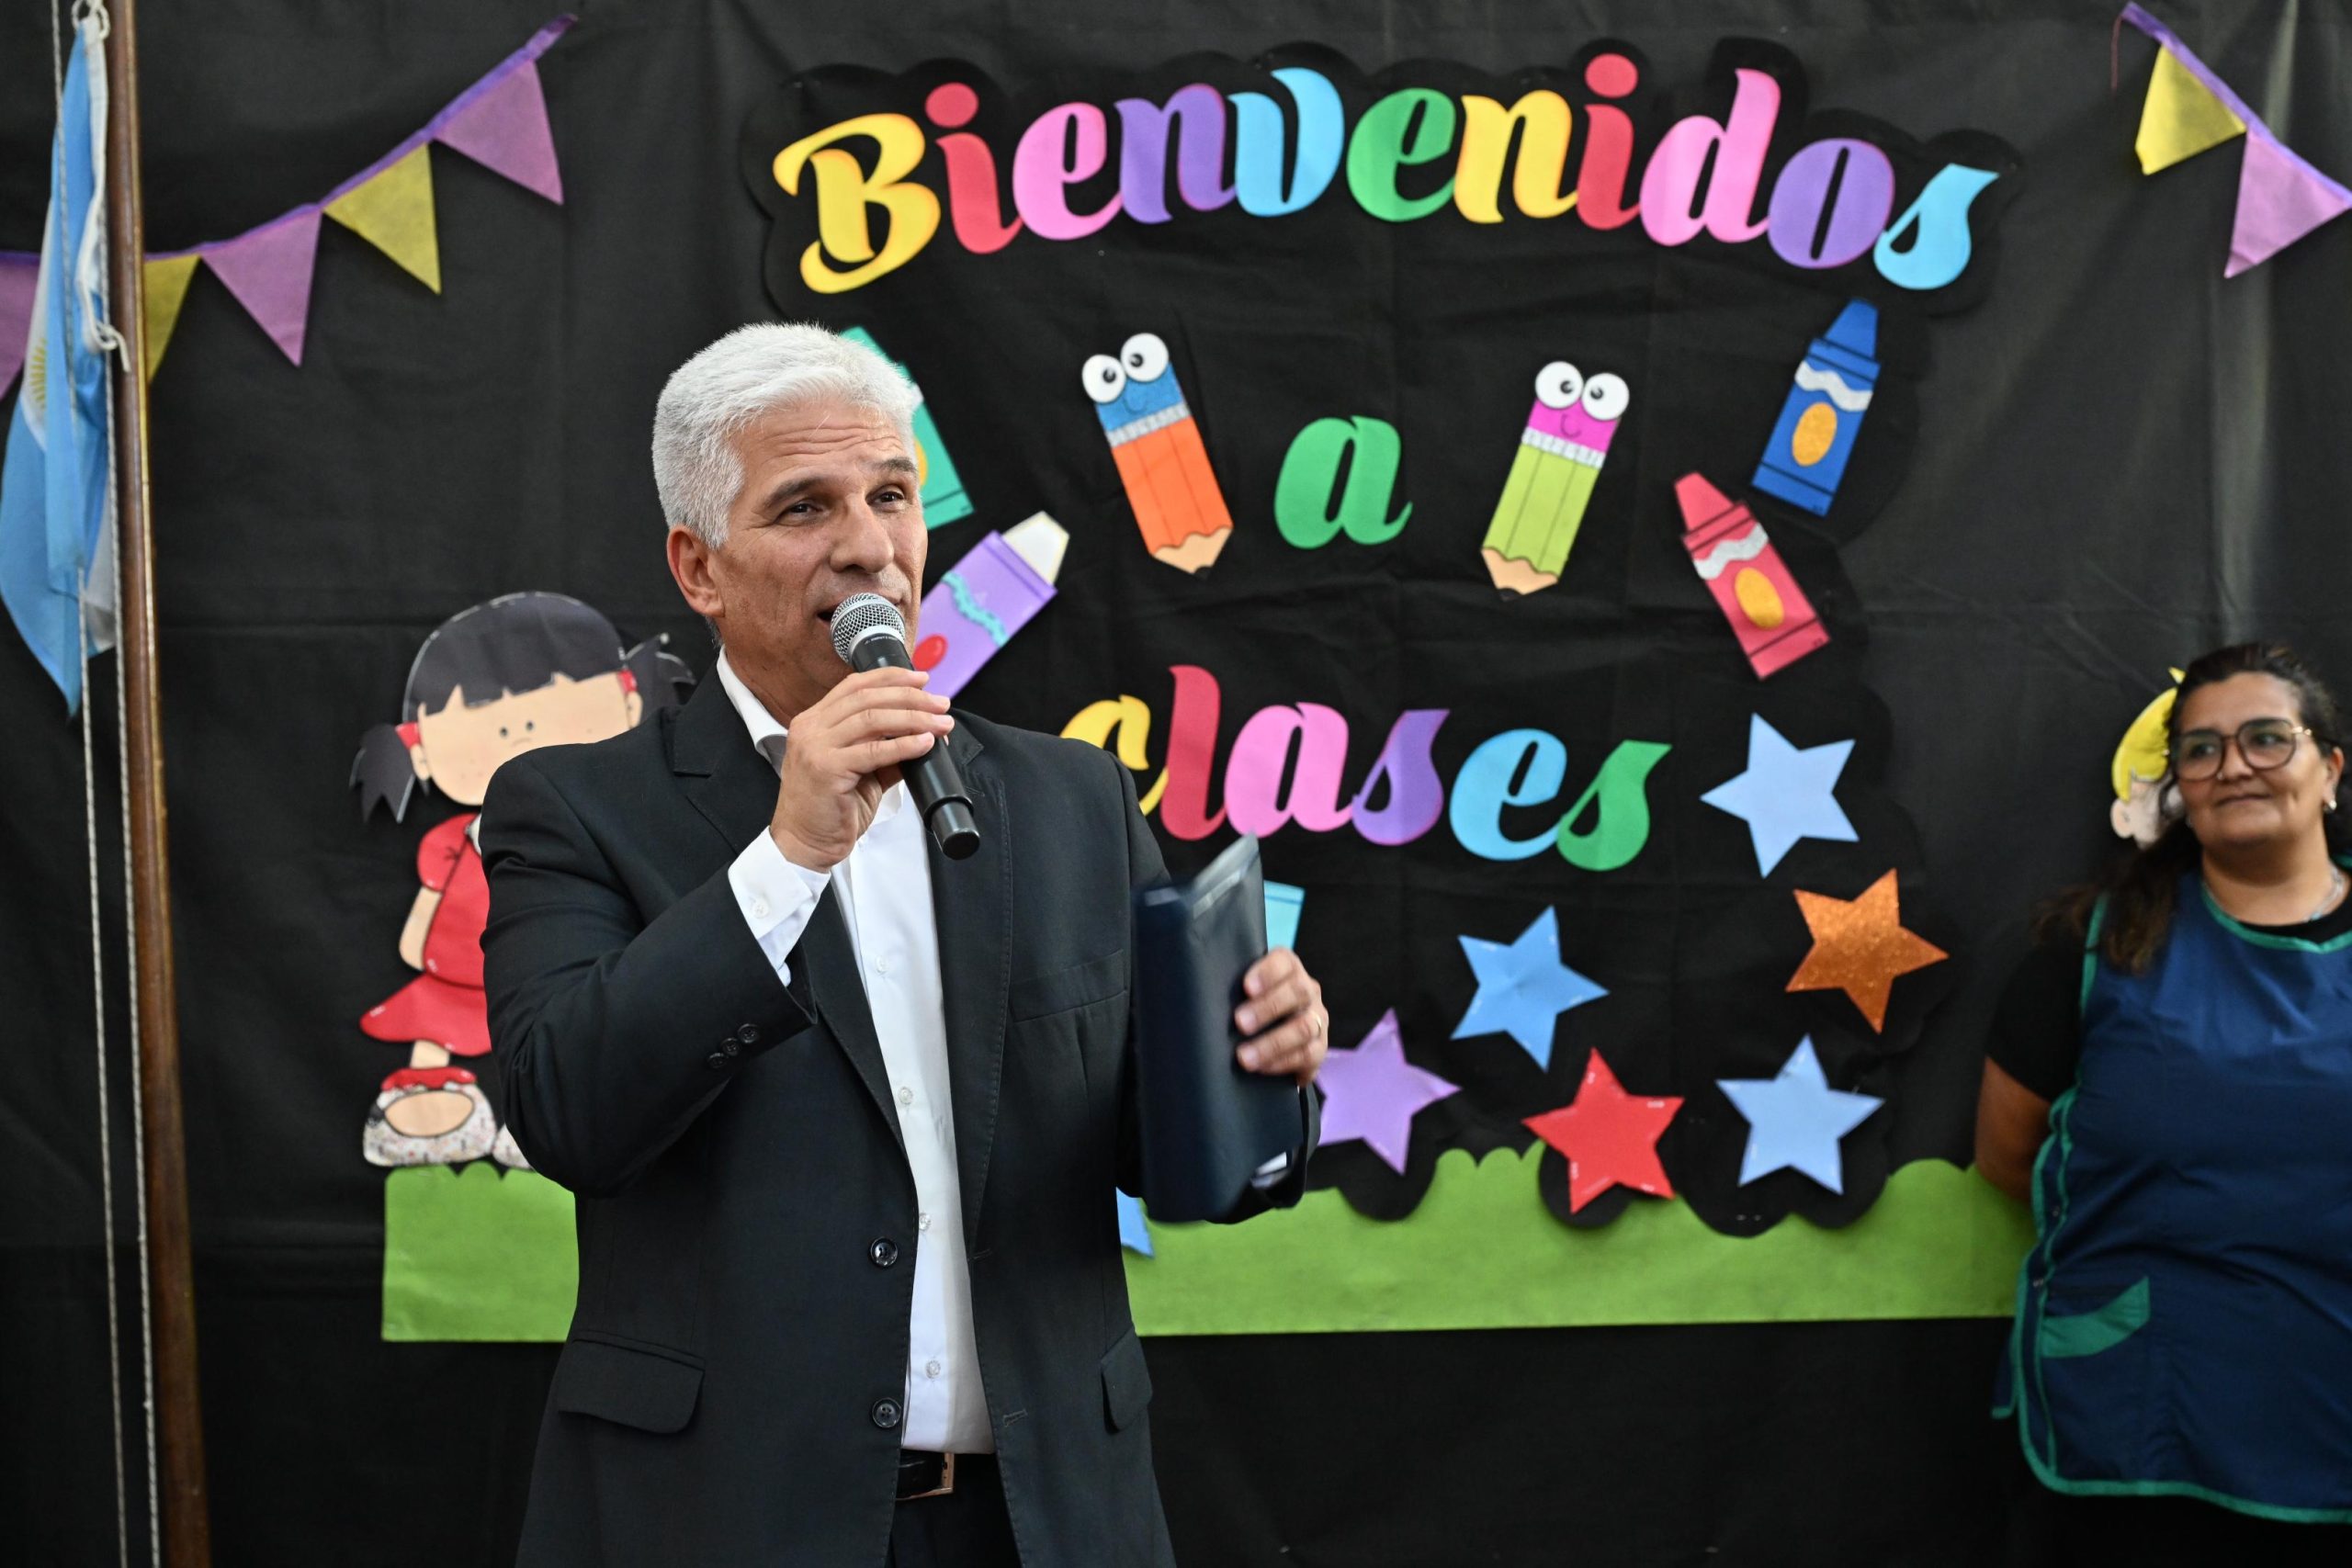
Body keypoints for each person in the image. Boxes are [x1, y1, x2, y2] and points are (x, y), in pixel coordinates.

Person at [479, 322, 1328, 1568]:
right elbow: (569, 1109)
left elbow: (1178, 1163)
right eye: (805, 506)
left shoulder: (1071, 801)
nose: (870, 545)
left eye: (891, 494)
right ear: (699, 567)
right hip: (725, 1518)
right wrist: (785, 857)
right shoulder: (574, 807)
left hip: (1046, 1519)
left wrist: (1258, 1071)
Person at [1977, 643, 2352, 1562]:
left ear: (2330, 768)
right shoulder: (2089, 948)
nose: (2233, 766)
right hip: (2132, 1423)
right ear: (2179, 785)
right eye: (2201, 749)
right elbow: (2008, 1158)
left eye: (2267, 738)